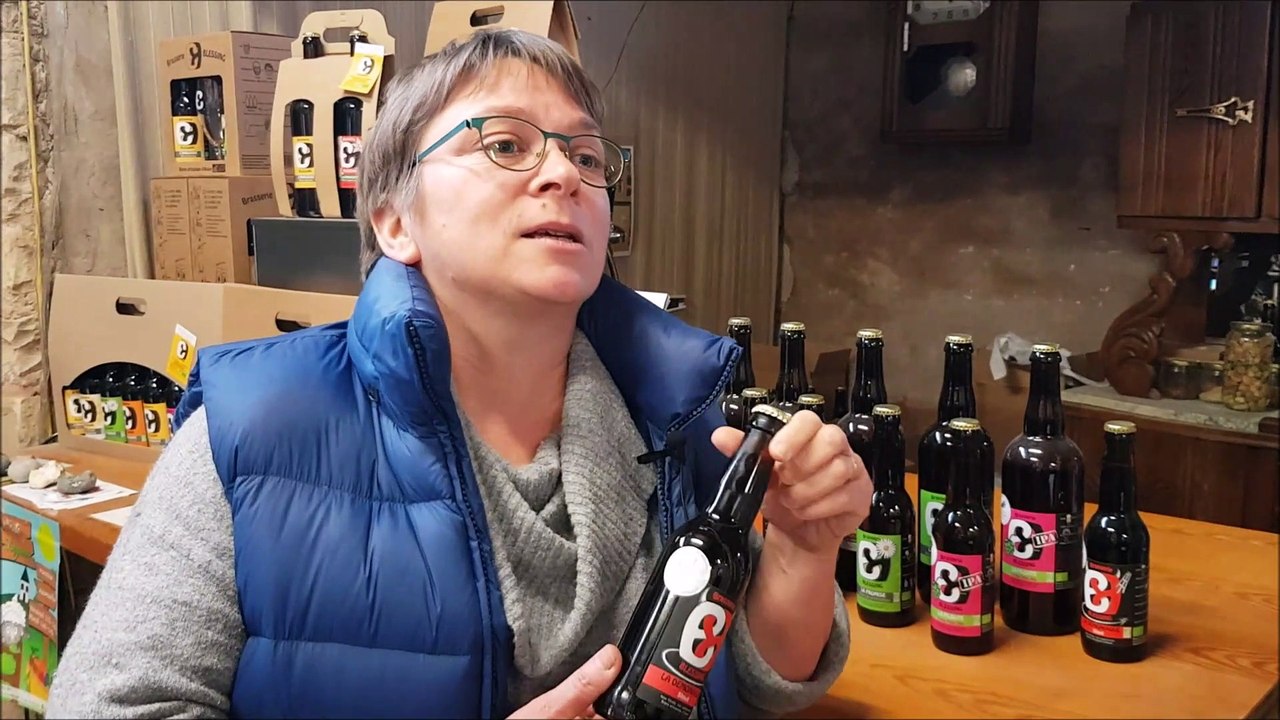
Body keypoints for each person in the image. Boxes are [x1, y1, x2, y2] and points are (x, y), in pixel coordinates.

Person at [46, 27, 870, 719]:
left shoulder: (678, 418)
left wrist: (803, 548)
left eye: (586, 156)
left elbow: (757, 680)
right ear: (395, 220)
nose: (563, 175)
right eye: (506, 144)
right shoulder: (253, 431)